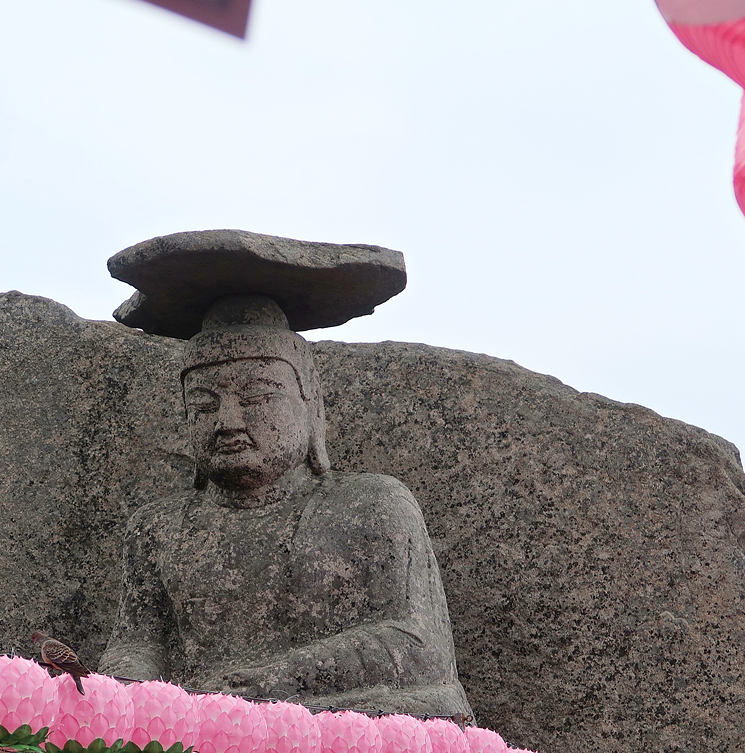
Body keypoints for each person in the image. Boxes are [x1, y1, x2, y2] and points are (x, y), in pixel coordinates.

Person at [99, 293, 471, 718]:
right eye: (202, 404)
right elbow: (138, 642)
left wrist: (278, 680)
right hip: (198, 724)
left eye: (257, 397)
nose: (227, 422)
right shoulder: (158, 527)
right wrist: (128, 690)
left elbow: (419, 647)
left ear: (309, 405)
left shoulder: (373, 504)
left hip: (333, 722)